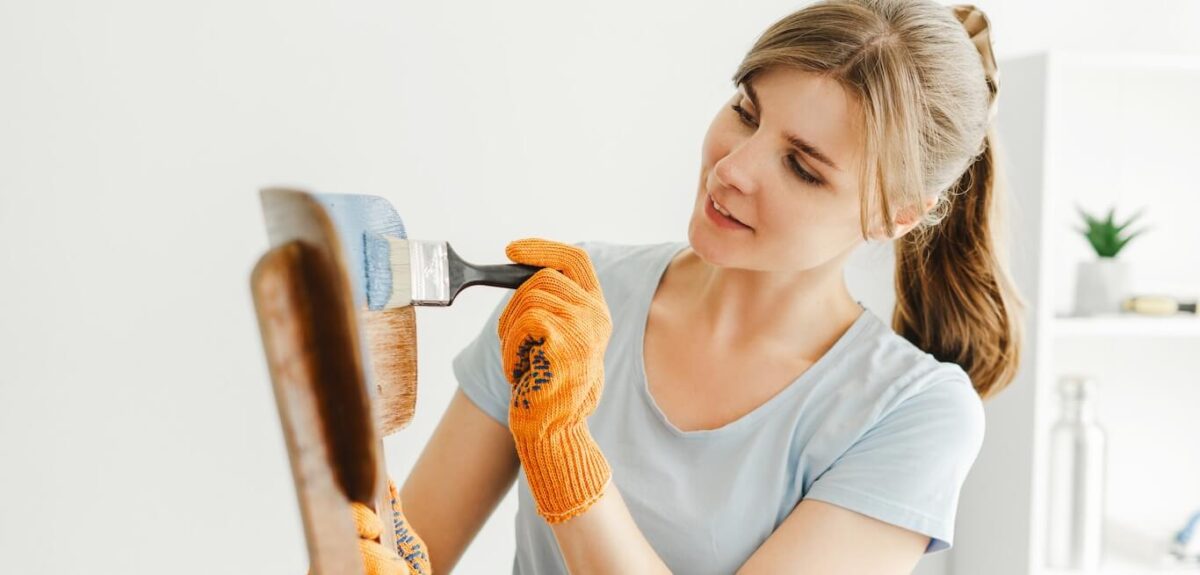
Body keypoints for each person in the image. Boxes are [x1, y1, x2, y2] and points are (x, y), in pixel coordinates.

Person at [357, 0, 1025, 573]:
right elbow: (411, 550)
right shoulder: (573, 300)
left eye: (801, 166)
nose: (732, 168)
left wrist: (563, 452)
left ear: (896, 213)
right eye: (745, 109)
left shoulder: (909, 412)